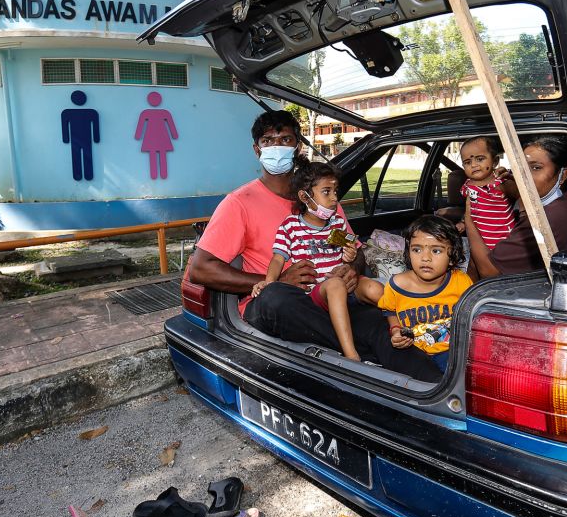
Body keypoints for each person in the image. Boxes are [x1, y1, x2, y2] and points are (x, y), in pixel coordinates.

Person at [189, 110, 442, 382]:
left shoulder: (323, 200)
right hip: (276, 305)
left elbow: (354, 249)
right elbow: (201, 269)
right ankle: (358, 350)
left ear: (297, 146)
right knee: (277, 298)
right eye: (268, 141)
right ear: (256, 150)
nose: (276, 147)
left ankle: (439, 390)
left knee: (382, 328)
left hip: (330, 298)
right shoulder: (239, 203)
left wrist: (351, 268)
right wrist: (276, 280)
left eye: (285, 139)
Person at [252, 160, 365, 361]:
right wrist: (269, 283)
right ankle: (351, 355)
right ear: (304, 197)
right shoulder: (291, 226)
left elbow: (351, 250)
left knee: (376, 288)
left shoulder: (337, 223)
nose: (334, 198)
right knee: (335, 285)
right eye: (327, 192)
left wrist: (350, 257)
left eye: (335, 191)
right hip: (318, 292)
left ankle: (402, 329)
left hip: (344, 287)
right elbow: (278, 259)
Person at [363, 216, 473, 372]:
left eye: (436, 251)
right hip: (413, 352)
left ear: (452, 256)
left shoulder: (461, 282)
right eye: (417, 250)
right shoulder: (396, 285)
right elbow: (390, 310)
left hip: (451, 351)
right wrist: (395, 330)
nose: (425, 258)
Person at [465, 135, 567, 277]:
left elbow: (489, 271)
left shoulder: (546, 220)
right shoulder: (563, 203)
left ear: (563, 175)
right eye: (520, 168)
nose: (524, 177)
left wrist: (469, 220)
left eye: (536, 168)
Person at [459, 136, 514, 251]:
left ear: (495, 162)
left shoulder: (501, 182)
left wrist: (511, 177)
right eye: (467, 162)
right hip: (478, 245)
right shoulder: (467, 186)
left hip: (504, 245)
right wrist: (463, 222)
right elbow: (472, 209)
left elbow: (524, 196)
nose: (473, 165)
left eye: (480, 159)